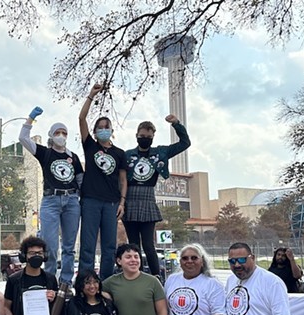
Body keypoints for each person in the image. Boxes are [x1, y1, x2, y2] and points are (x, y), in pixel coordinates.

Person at [18, 106, 84, 286]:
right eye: (57, 132)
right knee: (51, 246)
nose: (61, 136)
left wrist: (80, 199)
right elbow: (23, 138)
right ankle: (49, 281)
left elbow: (81, 180)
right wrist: (30, 119)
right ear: (51, 135)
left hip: (71, 201)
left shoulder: (74, 157)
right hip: (51, 201)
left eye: (64, 133)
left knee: (70, 247)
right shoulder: (45, 153)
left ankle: (66, 283)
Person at [124, 116, 190, 280]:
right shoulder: (126, 155)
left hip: (148, 198)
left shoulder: (161, 152)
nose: (145, 139)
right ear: (136, 135)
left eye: (148, 137)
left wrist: (176, 124)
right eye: (142, 136)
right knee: (133, 245)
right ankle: (135, 277)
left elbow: (185, 143)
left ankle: (156, 278)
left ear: (153, 137)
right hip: (130, 199)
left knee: (148, 245)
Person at [78, 83, 128, 280]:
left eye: (106, 127)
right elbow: (81, 118)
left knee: (109, 248)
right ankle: (85, 282)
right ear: (95, 131)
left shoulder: (119, 153)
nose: (103, 130)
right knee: (88, 247)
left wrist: (122, 203)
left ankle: (106, 284)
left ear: (111, 130)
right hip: (90, 200)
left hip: (111, 203)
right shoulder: (90, 146)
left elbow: (123, 180)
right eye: (99, 128)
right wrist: (91, 94)